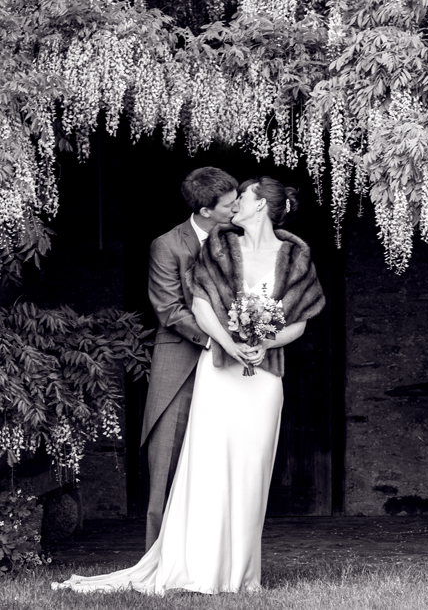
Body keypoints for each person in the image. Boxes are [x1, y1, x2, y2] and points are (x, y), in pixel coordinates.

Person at [54, 176, 325, 595]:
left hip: (265, 376)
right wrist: (230, 344)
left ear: (260, 207)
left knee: (252, 469)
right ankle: (197, 567)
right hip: (218, 369)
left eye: (244, 197)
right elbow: (197, 305)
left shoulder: (296, 257)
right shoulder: (218, 247)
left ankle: (240, 575)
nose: (236, 203)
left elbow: (301, 320)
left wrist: (264, 340)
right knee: (208, 465)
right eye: (232, 199)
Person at [142, 166, 239, 551]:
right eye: (229, 206)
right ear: (204, 210)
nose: (236, 210)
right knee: (165, 458)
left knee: (221, 461)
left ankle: (212, 556)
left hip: (231, 361)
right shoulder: (167, 245)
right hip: (180, 359)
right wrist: (217, 339)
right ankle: (157, 559)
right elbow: (168, 308)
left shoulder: (239, 241)